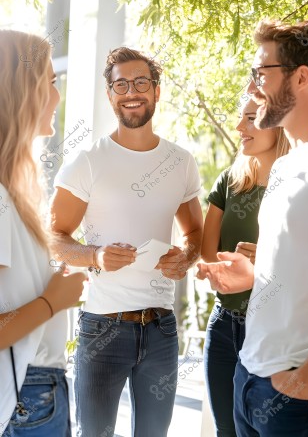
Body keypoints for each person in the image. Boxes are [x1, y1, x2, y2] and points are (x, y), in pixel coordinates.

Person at [49, 46, 203, 437]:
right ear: (110, 93)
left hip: (162, 329)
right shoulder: (87, 161)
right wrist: (96, 254)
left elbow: (196, 234)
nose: (131, 91)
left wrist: (185, 257)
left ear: (156, 90)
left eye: (140, 82)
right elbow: (54, 237)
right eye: (121, 83)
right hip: (103, 328)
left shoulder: (180, 161)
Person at [197, 19, 308, 437]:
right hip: (249, 376)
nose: (254, 86)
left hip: (294, 392)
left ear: (302, 77)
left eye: (262, 73)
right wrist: (253, 276)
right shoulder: (288, 164)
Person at [0, 30, 86, 437]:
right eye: (51, 82)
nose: (57, 95)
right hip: (27, 393)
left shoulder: (12, 193)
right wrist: (53, 301)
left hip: (35, 387)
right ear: (22, 90)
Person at [202, 97, 289, 437]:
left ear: (279, 122)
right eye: (240, 118)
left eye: (251, 118)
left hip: (274, 330)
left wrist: (265, 260)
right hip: (225, 325)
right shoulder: (230, 182)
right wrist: (215, 268)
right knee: (227, 431)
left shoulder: (300, 186)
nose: (240, 127)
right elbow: (209, 257)